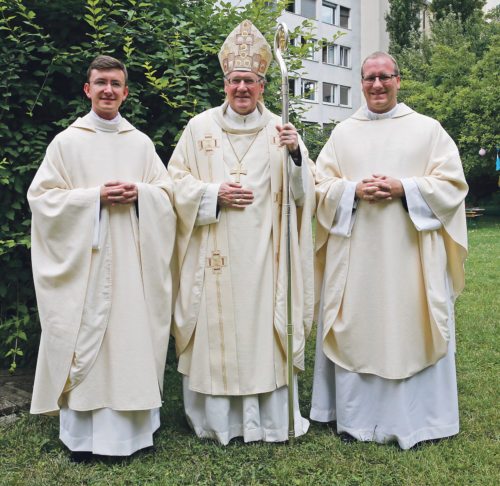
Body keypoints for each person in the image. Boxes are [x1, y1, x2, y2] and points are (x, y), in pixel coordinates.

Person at [310, 51, 468, 449]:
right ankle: (356, 419)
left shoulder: (428, 130)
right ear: (360, 82)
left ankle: (420, 419)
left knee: (409, 324)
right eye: (369, 78)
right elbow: (320, 188)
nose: (377, 85)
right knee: (359, 325)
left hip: (410, 257)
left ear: (399, 79)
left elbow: (452, 185)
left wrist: (405, 188)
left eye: (385, 77)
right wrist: (354, 190)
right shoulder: (343, 134)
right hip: (357, 258)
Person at [167, 20, 315, 444]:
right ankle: (217, 422)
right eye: (235, 81)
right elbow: (173, 184)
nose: (242, 88)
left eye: (250, 81)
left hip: (268, 260)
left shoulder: (282, 131)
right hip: (214, 257)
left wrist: (297, 154)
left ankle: (268, 420)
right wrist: (213, 194)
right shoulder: (199, 129)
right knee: (218, 335)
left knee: (263, 337)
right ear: (225, 84)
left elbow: (306, 196)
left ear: (263, 85)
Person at [28, 55, 176, 458]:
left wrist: (140, 194)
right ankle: (82, 438)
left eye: (115, 83)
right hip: (86, 267)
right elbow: (41, 200)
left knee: (130, 341)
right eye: (100, 83)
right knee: (85, 337)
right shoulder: (67, 142)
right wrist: (94, 197)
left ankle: (134, 434)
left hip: (132, 266)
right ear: (87, 89)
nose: (108, 90)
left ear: (126, 93)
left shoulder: (140, 143)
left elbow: (167, 197)